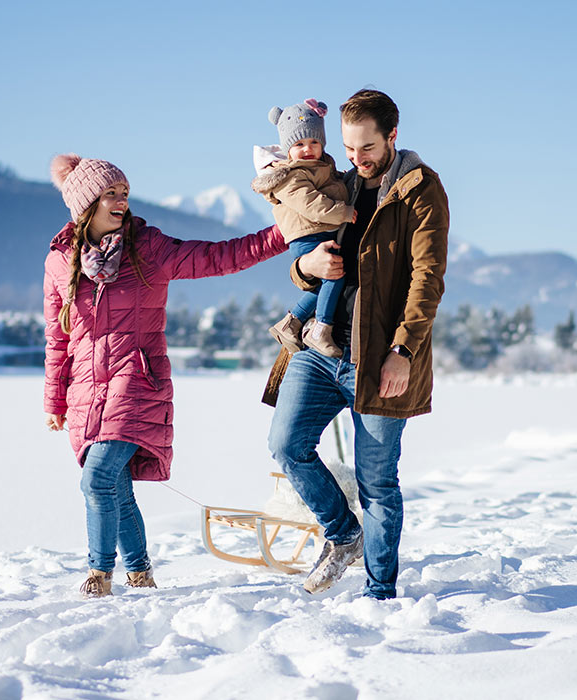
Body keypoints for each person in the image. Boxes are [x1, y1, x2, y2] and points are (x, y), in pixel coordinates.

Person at [43, 153, 289, 598]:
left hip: (136, 380)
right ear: (85, 203)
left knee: (96, 479)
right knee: (116, 488)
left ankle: (99, 576)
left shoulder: (148, 250)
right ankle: (140, 575)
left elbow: (220, 257)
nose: (122, 201)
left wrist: (283, 232)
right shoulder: (60, 262)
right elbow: (57, 339)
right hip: (84, 392)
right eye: (111, 193)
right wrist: (54, 400)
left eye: (125, 193)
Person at [263, 89, 449, 600]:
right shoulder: (337, 183)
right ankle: (344, 535)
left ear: (392, 136)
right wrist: (305, 267)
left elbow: (426, 277)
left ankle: (380, 593)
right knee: (287, 444)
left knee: (377, 483)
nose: (356, 159)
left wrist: (403, 351)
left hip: (379, 358)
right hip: (319, 351)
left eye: (366, 148)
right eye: (348, 148)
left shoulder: (420, 191)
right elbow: (303, 252)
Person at [250, 98, 357, 358]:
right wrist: (343, 211)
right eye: (299, 144)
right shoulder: (290, 176)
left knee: (327, 282)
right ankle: (320, 328)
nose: (307, 149)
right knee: (334, 275)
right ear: (288, 148)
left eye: (314, 142)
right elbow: (311, 204)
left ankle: (292, 323)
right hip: (308, 235)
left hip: (318, 232)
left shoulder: (321, 168)